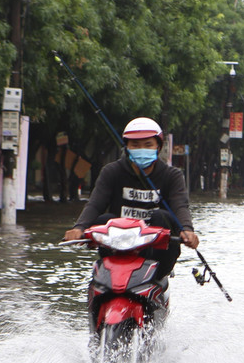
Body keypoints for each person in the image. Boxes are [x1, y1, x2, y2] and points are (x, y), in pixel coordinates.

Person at [63, 117, 199, 280]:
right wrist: (79, 228)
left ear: (158, 147)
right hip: (118, 249)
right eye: (135, 145)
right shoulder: (111, 172)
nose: (141, 149)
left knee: (160, 216)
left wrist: (187, 230)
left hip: (157, 253)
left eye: (148, 145)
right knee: (104, 219)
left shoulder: (172, 176)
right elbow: (95, 203)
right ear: (126, 148)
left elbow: (180, 206)